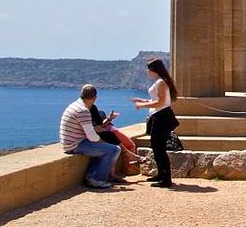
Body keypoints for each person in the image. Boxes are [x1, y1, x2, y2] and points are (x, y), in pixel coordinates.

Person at [59, 84, 122, 189]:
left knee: (103, 149)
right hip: (76, 145)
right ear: (94, 98)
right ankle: (97, 180)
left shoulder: (75, 105)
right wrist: (103, 142)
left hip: (70, 142)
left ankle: (90, 177)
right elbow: (92, 137)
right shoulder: (83, 111)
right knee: (114, 150)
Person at [133, 58, 179, 188]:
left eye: (149, 69)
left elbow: (160, 102)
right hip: (160, 116)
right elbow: (158, 100)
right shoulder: (161, 82)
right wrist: (143, 100)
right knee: (156, 146)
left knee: (159, 148)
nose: (147, 72)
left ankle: (166, 179)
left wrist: (141, 105)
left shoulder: (160, 82)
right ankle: (161, 175)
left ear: (154, 70)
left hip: (162, 117)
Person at [89, 101, 144, 167]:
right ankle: (130, 167)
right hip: (110, 132)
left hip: (110, 132)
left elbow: (101, 124)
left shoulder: (96, 111)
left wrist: (110, 118)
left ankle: (130, 166)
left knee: (129, 146)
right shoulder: (91, 111)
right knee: (129, 146)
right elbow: (101, 126)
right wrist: (109, 119)